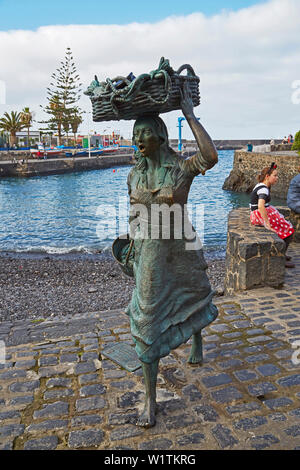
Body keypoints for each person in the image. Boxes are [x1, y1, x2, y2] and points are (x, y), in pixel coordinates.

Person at [123, 82, 218, 428]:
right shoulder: (133, 175)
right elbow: (133, 215)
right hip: (149, 253)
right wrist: (129, 248)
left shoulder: (178, 168)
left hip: (179, 246)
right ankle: (150, 400)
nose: (139, 138)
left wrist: (189, 115)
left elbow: (210, 156)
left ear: (161, 138)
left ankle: (197, 339)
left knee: (191, 294)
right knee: (147, 319)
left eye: (147, 132)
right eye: (136, 133)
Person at [250, 162, 295, 267]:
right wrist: (267, 224)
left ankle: (282, 254)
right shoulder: (263, 189)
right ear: (267, 176)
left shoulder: (260, 185)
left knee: (285, 227)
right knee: (289, 229)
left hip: (256, 213)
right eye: (275, 175)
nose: (277, 178)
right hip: (259, 215)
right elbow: (261, 206)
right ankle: (281, 257)